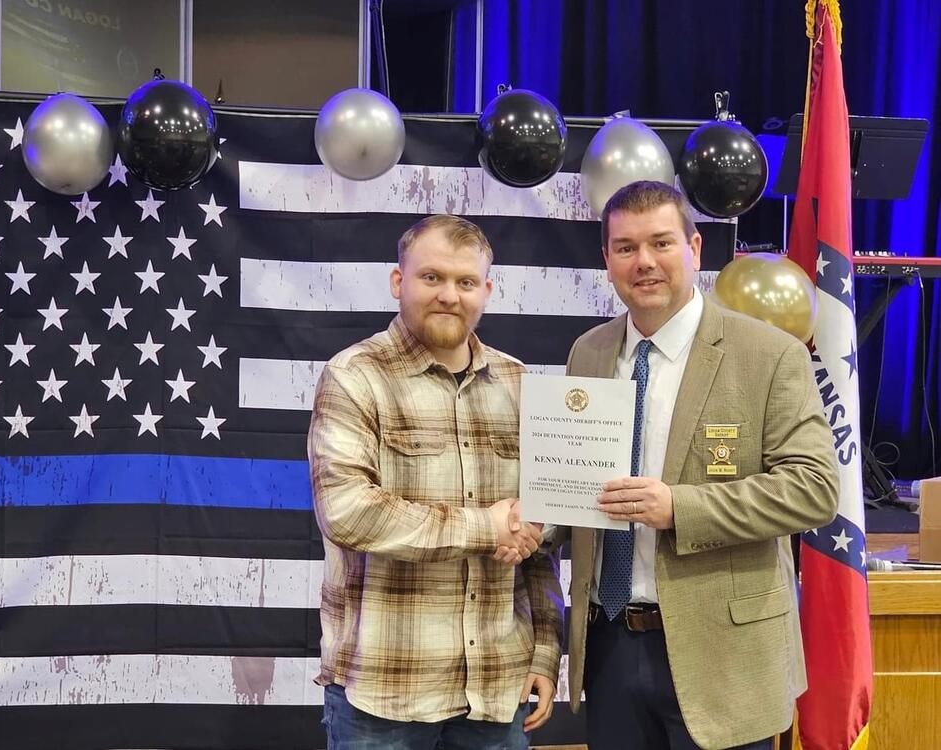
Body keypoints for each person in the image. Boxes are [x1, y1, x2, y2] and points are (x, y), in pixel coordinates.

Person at [564, 181, 838, 749]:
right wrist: (537, 516)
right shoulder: (587, 352)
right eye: (626, 248)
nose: (644, 262)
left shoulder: (769, 354)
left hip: (726, 656)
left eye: (661, 243)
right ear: (606, 261)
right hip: (611, 646)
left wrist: (678, 508)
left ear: (695, 248)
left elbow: (813, 489)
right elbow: (577, 480)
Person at [308, 214, 563, 750]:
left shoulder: (520, 384)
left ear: (486, 291)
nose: (450, 294)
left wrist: (544, 651)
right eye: (432, 278)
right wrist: (485, 525)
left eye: (466, 282)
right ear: (399, 281)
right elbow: (349, 512)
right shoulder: (354, 376)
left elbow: (539, 541)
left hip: (497, 688)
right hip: (385, 692)